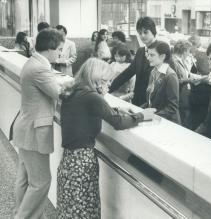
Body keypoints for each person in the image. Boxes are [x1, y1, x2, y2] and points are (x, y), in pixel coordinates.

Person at [57, 57, 155, 218]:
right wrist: (141, 116)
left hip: (69, 161)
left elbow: (93, 109)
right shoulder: (92, 97)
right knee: (85, 208)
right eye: (107, 81)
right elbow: (118, 123)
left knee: (71, 208)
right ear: (97, 80)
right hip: (82, 162)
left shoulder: (75, 91)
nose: (109, 85)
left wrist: (116, 108)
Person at [13, 29, 65, 219]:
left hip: (25, 128)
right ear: (50, 49)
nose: (60, 53)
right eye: (59, 49)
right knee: (41, 182)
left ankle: (22, 214)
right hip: (34, 131)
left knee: (25, 179)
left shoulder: (34, 62)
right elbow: (61, 95)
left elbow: (51, 86)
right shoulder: (40, 68)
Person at [109, 16, 157, 106]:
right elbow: (126, 74)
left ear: (153, 32)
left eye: (145, 32)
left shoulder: (162, 51)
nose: (142, 35)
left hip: (153, 103)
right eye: (140, 33)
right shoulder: (140, 51)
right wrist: (108, 90)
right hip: (138, 101)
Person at [142, 41, 180, 124]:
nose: (148, 58)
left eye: (152, 55)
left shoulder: (170, 76)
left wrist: (152, 115)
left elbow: (172, 107)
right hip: (156, 120)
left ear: (162, 56)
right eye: (148, 54)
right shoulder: (153, 72)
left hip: (169, 123)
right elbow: (150, 100)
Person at [172, 40, 208, 128]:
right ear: (184, 51)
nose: (189, 54)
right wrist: (190, 80)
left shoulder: (180, 61)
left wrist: (202, 77)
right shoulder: (174, 62)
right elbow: (174, 81)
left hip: (184, 96)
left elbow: (188, 74)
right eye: (188, 51)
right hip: (180, 97)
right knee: (183, 123)